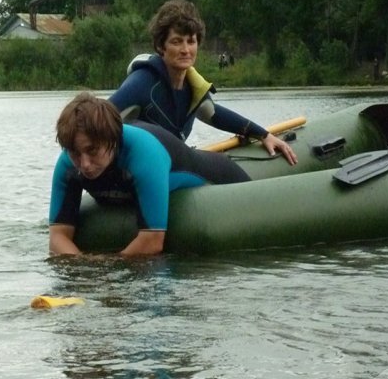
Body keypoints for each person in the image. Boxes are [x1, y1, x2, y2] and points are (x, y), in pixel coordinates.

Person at [48, 92, 251, 257]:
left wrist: (106, 271)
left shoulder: (143, 153)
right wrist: (82, 266)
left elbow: (153, 241)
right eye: (75, 153)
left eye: (93, 151)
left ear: (112, 139)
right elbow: (58, 237)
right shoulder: (67, 164)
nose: (84, 164)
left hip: (218, 175)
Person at [108, 0, 297, 166]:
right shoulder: (142, 82)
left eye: (191, 41)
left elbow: (213, 113)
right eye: (176, 42)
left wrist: (263, 135)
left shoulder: (192, 84)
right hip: (136, 174)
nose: (185, 50)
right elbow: (96, 120)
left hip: (170, 165)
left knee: (225, 169)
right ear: (160, 46)